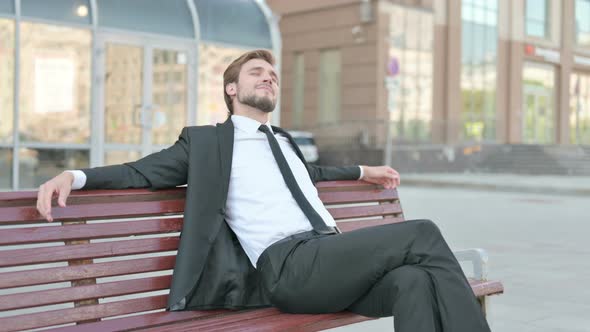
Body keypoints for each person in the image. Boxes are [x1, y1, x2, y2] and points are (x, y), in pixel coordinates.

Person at [36, 50, 490, 332]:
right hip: (289, 269)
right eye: (257, 72)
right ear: (232, 88)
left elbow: (313, 175)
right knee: (421, 234)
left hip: (327, 261)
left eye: (273, 74)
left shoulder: (284, 142)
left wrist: (363, 170)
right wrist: (74, 177)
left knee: (412, 282)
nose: (269, 78)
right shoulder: (208, 142)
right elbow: (140, 172)